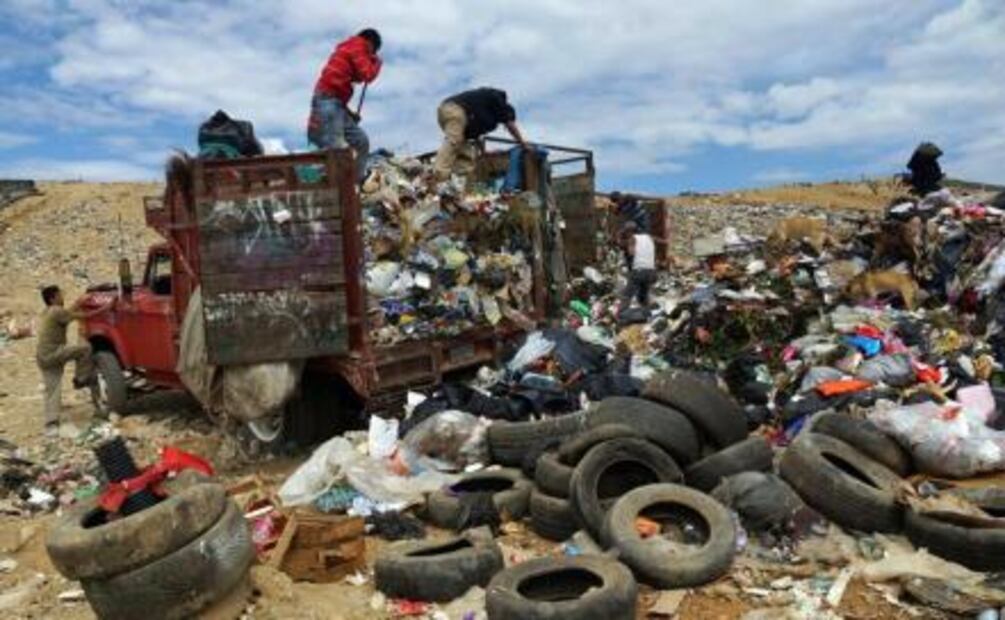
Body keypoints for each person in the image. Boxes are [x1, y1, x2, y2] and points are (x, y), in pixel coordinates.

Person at [36, 285, 113, 436]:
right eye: (60, 295)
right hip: (55, 353)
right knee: (85, 350)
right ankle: (80, 378)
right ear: (53, 298)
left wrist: (79, 301)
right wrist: (106, 308)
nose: (62, 297)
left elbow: (69, 312)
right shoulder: (56, 311)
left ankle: (51, 424)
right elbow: (83, 316)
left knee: (52, 390)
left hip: (43, 357)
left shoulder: (48, 312)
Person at [308, 28, 383, 182]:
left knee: (361, 142)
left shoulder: (348, 50)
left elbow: (338, 99)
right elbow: (367, 74)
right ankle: (336, 189)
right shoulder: (357, 45)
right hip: (327, 102)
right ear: (370, 44)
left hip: (336, 106)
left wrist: (349, 114)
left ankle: (355, 184)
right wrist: (376, 61)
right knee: (337, 148)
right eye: (371, 52)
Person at [433, 87, 527, 180]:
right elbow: (511, 126)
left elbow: (477, 137)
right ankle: (438, 175)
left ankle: (455, 182)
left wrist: (483, 152)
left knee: (468, 157)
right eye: (506, 123)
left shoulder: (488, 121)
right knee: (454, 140)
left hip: (458, 120)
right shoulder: (498, 99)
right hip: (454, 108)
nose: (505, 126)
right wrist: (522, 143)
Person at [618, 223, 658, 308]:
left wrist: (626, 248)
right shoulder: (649, 237)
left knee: (626, 295)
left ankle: (621, 316)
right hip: (651, 272)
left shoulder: (632, 239)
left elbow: (631, 253)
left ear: (630, 232)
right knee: (643, 295)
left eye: (626, 232)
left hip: (639, 272)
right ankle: (645, 313)